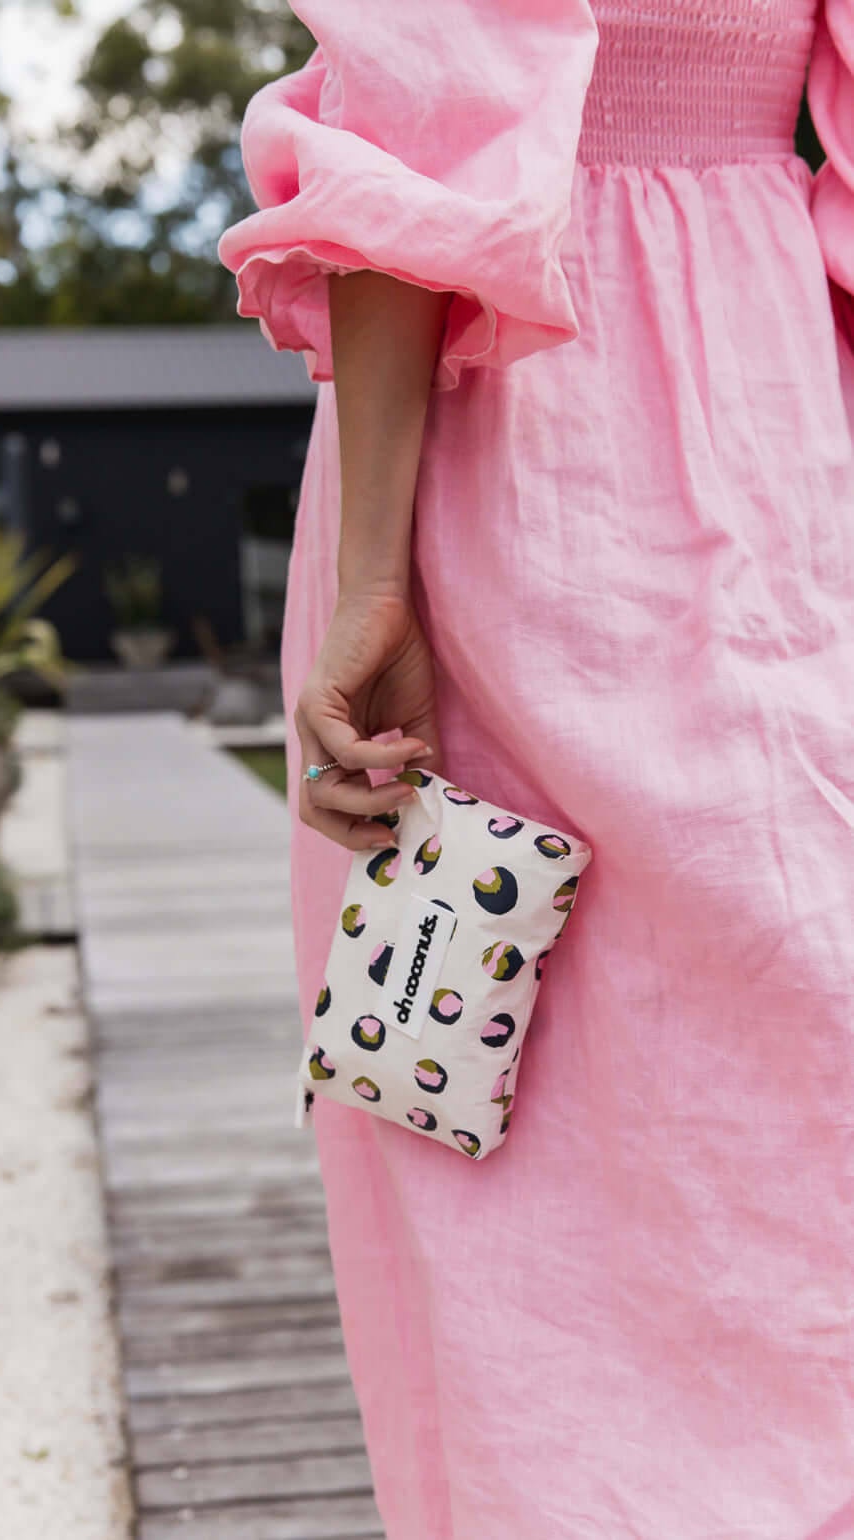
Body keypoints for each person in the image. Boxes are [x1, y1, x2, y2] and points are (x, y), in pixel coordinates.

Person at [217, 2, 854, 1535]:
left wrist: (376, 582)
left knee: (518, 1081)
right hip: (744, 410)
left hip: (536, 431)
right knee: (757, 1056)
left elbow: (417, 127)